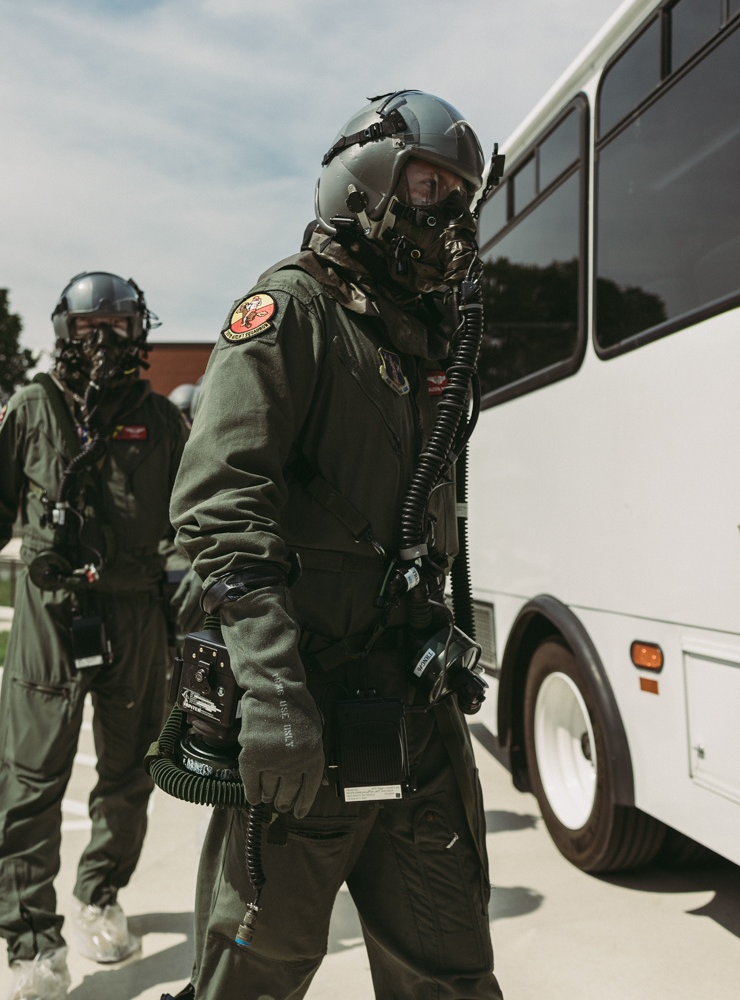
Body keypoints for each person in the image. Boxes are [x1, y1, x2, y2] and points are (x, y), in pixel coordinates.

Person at [168, 90, 504, 999]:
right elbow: (219, 503)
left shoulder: (424, 339)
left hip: (412, 715)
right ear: (364, 175)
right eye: (429, 181)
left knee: (450, 967)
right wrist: (272, 695)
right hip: (306, 711)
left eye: (459, 193)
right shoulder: (291, 313)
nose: (447, 209)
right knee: (254, 974)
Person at [0, 271, 189, 1000]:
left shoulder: (164, 424)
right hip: (50, 616)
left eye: (118, 326)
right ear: (65, 332)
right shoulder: (31, 410)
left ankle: (100, 893)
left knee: (130, 772)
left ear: (139, 332)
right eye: (87, 327)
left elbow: (197, 524)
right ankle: (31, 943)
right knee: (29, 780)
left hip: (136, 616)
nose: (102, 340)